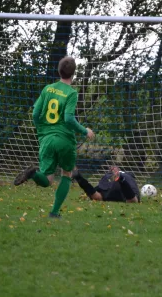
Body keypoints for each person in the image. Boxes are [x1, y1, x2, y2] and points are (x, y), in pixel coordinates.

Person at [13, 56, 95, 218]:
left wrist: (42, 130)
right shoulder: (71, 93)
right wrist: (85, 131)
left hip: (47, 139)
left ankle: (33, 174)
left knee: (47, 179)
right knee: (67, 174)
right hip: (64, 140)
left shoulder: (47, 89)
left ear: (58, 71)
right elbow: (69, 118)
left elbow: (35, 113)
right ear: (73, 74)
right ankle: (54, 212)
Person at [72, 165, 140, 203]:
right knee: (134, 200)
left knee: (97, 196)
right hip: (124, 182)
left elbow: (93, 191)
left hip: (108, 184)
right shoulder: (128, 174)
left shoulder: (108, 175)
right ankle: (121, 180)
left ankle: (78, 177)